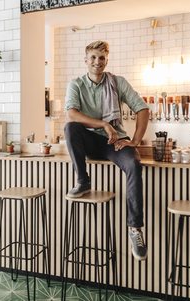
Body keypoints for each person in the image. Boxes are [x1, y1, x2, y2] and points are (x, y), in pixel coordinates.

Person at [63, 40, 150, 261]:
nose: (97, 62)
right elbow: (72, 114)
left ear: (106, 61)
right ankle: (83, 181)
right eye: (93, 57)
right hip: (92, 140)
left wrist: (136, 141)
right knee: (71, 127)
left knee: (133, 164)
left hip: (117, 142)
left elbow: (142, 108)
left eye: (101, 58)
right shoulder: (76, 84)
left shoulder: (117, 82)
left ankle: (135, 229)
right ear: (86, 60)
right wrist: (103, 124)